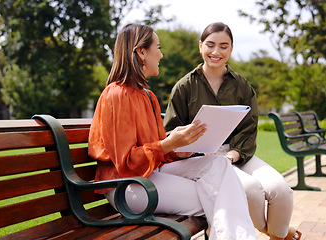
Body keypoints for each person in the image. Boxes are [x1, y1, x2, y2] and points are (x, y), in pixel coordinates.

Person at [88, 23, 256, 240]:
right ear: (141, 52)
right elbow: (127, 163)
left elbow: (158, 151)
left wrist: (182, 146)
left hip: (150, 175)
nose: (161, 54)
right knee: (222, 196)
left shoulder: (147, 96)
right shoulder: (116, 95)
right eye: (157, 48)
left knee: (219, 163)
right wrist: (169, 143)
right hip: (127, 186)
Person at [164, 22, 301, 240]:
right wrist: (196, 149)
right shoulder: (184, 87)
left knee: (281, 190)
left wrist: (232, 155)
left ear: (231, 49)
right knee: (251, 191)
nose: (216, 52)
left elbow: (249, 128)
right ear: (200, 46)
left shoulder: (242, 86)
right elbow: (172, 132)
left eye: (223, 46)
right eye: (210, 45)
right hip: (202, 159)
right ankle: (275, 232)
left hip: (237, 153)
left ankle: (276, 235)